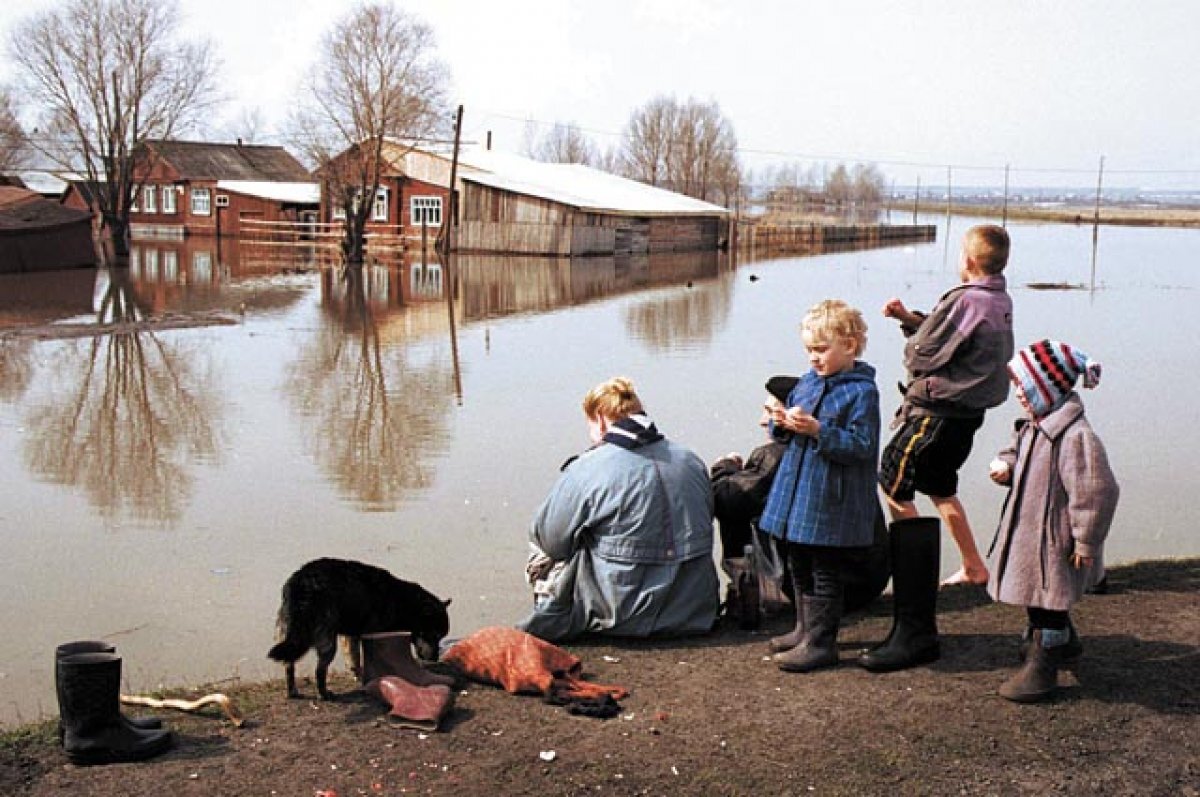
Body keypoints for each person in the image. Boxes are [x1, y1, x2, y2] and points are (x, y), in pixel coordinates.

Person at [517, 376, 719, 642]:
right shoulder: (691, 460)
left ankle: (550, 617)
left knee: (543, 546)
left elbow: (552, 543)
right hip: (693, 610)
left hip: (618, 614)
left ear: (599, 419)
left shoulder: (586, 468)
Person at [877, 223, 1014, 588]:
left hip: (938, 412)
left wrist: (912, 338)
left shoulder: (968, 299)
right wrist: (910, 319)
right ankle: (973, 565)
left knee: (892, 478)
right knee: (939, 484)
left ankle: (914, 576)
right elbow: (957, 341)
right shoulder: (999, 299)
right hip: (967, 415)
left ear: (967, 259)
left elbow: (925, 352)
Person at [987, 340, 1119, 703]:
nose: (1018, 394)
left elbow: (1095, 491)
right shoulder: (1036, 425)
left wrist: (1086, 540)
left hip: (1056, 540)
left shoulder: (1076, 438)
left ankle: (1047, 656)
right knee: (1038, 592)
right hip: (1029, 532)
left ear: (1048, 388)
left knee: (1050, 595)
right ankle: (1055, 638)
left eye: (1023, 387)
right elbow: (1017, 450)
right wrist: (1007, 465)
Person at [758, 300, 881, 673]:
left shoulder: (862, 393)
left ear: (851, 345)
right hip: (799, 492)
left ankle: (822, 643)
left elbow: (862, 447)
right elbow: (785, 431)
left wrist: (818, 431)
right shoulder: (809, 381)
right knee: (799, 562)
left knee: (826, 570)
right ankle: (803, 629)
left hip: (831, 498)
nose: (814, 358)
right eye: (809, 349)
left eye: (822, 349)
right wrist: (779, 422)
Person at [711, 376, 889, 619]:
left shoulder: (779, 453)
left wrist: (724, 468)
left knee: (741, 508)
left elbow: (728, 499)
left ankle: (748, 589)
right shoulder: (838, 446)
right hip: (869, 581)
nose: (763, 421)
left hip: (830, 590)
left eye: (770, 411)